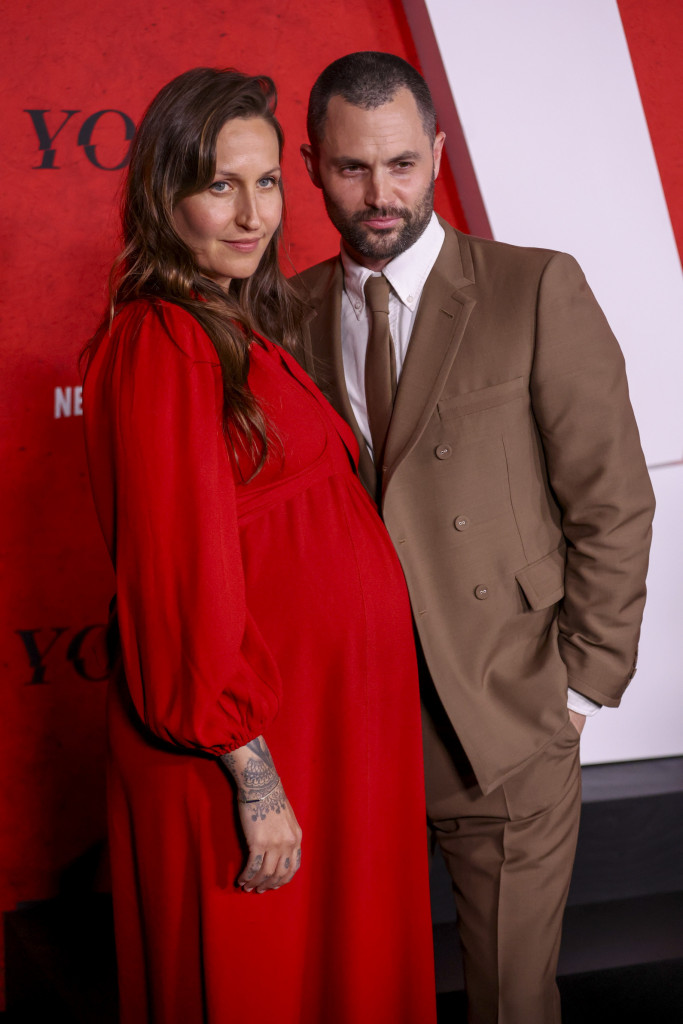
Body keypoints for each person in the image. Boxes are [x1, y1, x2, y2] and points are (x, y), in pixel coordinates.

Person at [296, 51, 655, 1023]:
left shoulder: (531, 288)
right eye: (352, 168)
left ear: (439, 153)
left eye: (402, 164)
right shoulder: (277, 310)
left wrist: (575, 692)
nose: (381, 194)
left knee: (508, 1002)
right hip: (346, 723)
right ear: (311, 164)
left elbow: (610, 500)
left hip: (503, 709)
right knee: (353, 994)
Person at [82, 66, 437, 1024]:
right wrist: (252, 774)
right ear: (163, 194)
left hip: (326, 733)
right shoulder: (162, 341)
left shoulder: (228, 324)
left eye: (268, 182)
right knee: (260, 986)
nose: (252, 215)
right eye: (220, 185)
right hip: (245, 752)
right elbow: (177, 576)